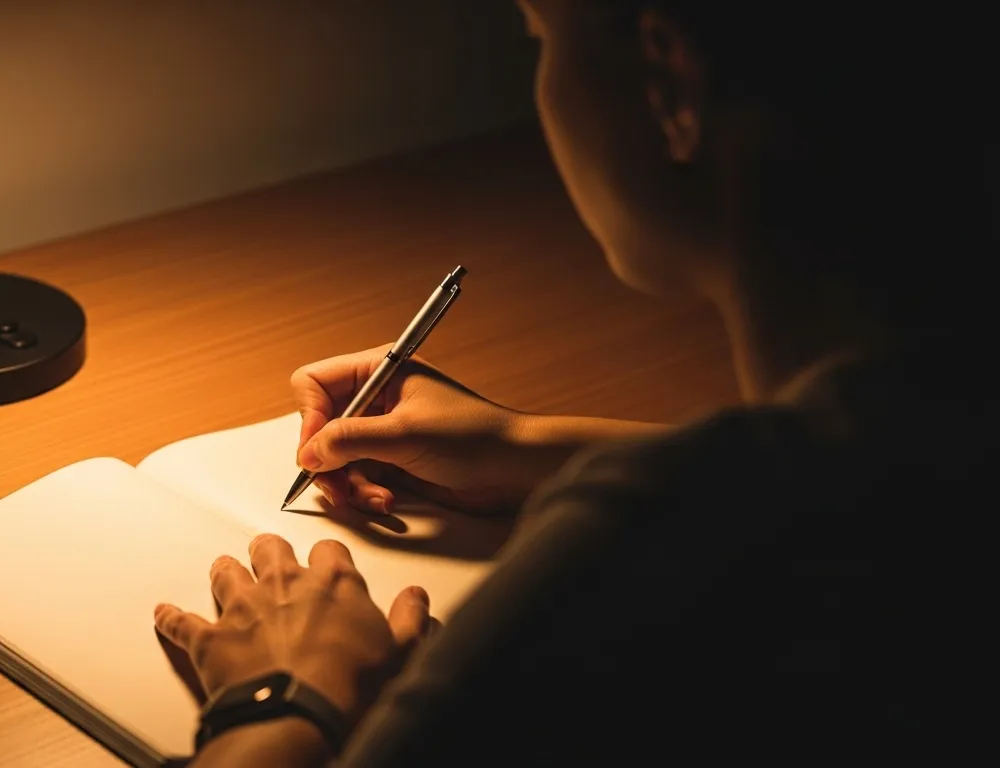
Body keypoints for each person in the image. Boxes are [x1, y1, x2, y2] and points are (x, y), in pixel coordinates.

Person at [152, 0, 990, 764]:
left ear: (667, 83)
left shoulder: (653, 549)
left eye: (541, 39)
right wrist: (526, 445)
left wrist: (285, 697)